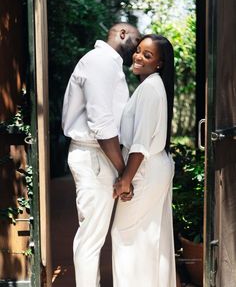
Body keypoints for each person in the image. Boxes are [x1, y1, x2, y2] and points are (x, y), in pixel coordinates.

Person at [61, 22, 140, 287]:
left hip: (99, 156)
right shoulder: (100, 62)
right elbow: (102, 125)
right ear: (121, 34)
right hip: (95, 156)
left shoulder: (108, 64)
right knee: (91, 237)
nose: (138, 50)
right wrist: (123, 172)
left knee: (93, 235)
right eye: (136, 42)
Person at [112, 34, 176, 286]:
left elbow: (140, 143)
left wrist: (126, 179)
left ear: (159, 63)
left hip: (145, 169)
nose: (138, 56)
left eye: (147, 55)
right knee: (149, 237)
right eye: (138, 50)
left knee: (124, 235)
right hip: (154, 167)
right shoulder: (152, 86)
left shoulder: (150, 88)